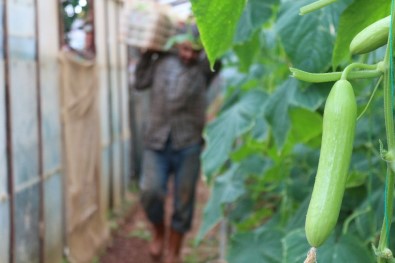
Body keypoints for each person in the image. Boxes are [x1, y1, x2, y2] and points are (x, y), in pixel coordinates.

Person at [134, 23, 220, 263]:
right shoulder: (160, 60)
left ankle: (174, 250)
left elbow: (219, 49)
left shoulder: (204, 68)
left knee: (184, 201)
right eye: (184, 49)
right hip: (156, 140)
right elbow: (139, 83)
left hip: (188, 142)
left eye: (195, 51)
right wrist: (148, 52)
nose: (188, 55)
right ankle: (159, 232)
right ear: (176, 45)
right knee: (151, 191)